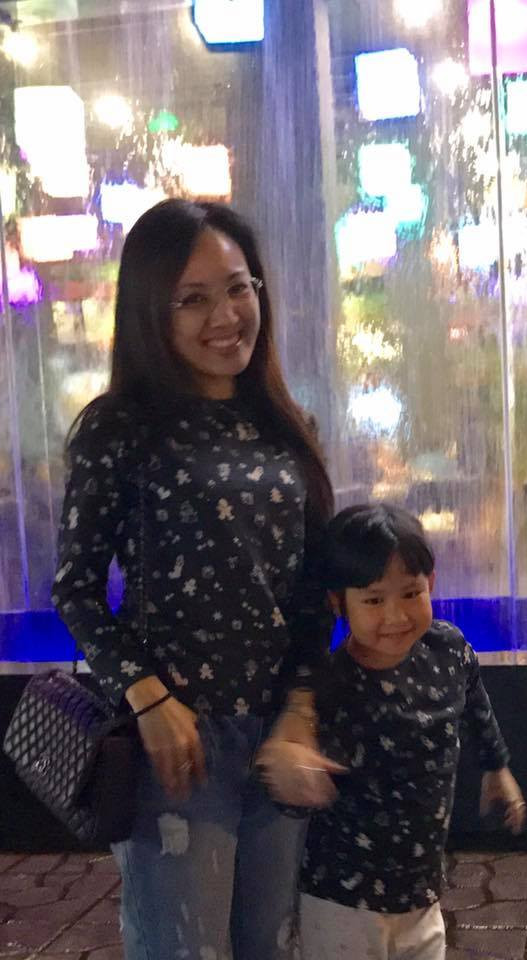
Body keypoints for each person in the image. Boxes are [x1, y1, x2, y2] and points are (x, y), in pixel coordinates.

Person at [52, 198, 343, 960]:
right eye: (193, 298)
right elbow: (75, 589)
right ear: (153, 311)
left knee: (270, 945)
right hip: (178, 751)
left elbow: (313, 593)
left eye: (239, 288)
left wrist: (301, 710)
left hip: (278, 741)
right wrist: (146, 696)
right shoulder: (119, 428)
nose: (225, 315)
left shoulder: (287, 426)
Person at [300, 503, 526, 960]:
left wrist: (496, 766)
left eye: (410, 593)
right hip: (342, 898)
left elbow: (474, 699)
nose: (396, 616)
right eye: (373, 600)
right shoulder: (329, 684)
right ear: (338, 602)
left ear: (432, 583)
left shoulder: (448, 649)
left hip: (421, 891)